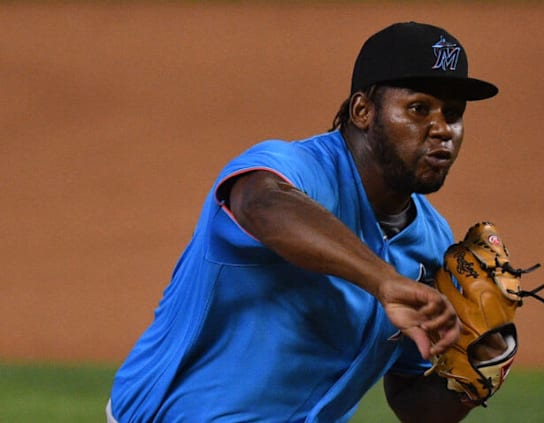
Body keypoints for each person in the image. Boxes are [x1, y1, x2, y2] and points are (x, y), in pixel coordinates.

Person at [108, 21, 499, 423]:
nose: (441, 130)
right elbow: (261, 203)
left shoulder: (432, 244)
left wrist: (481, 367)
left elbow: (415, 406)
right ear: (363, 111)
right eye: (419, 108)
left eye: (453, 114)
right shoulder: (297, 170)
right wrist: (382, 279)